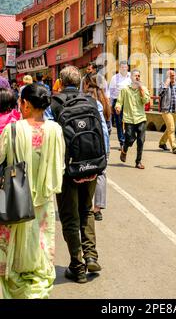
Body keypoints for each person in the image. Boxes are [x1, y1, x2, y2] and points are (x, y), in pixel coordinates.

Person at [0, 84, 65, 299]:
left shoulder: (13, 129)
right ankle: (36, 280)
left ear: (26, 104)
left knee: (13, 240)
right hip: (44, 198)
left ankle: (14, 281)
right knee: (40, 241)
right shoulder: (55, 129)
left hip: (14, 197)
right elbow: (60, 165)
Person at [50, 65, 104, 283]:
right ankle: (91, 254)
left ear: (60, 83)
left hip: (67, 169)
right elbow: (104, 135)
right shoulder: (92, 102)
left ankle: (77, 265)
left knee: (69, 216)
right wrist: (101, 164)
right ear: (79, 82)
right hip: (91, 166)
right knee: (86, 211)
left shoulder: (53, 105)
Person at [82, 73, 110, 221]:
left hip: (89, 140)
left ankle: (86, 204)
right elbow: (106, 125)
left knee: (86, 172)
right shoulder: (104, 98)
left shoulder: (87, 98)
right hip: (102, 142)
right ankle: (97, 208)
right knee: (101, 173)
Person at [116, 69, 150, 169]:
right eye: (135, 75)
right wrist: (118, 107)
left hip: (141, 118)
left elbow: (146, 101)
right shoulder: (125, 90)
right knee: (130, 139)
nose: (137, 77)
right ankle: (124, 149)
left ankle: (138, 162)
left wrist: (141, 90)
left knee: (141, 140)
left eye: (139, 75)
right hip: (129, 119)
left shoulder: (143, 88)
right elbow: (119, 101)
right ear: (131, 77)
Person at [109, 61, 131, 150]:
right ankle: (122, 142)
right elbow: (110, 92)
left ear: (128, 68)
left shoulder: (131, 76)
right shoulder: (115, 78)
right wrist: (110, 105)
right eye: (122, 67)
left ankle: (127, 140)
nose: (124, 69)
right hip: (117, 102)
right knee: (119, 123)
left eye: (125, 67)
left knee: (129, 122)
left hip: (128, 102)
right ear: (119, 68)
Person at [158, 69, 176, 154]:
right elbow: (160, 93)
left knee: (170, 128)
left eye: (173, 75)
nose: (173, 77)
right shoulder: (163, 85)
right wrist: (166, 84)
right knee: (171, 128)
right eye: (171, 76)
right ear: (167, 77)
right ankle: (174, 146)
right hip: (167, 110)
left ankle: (162, 143)